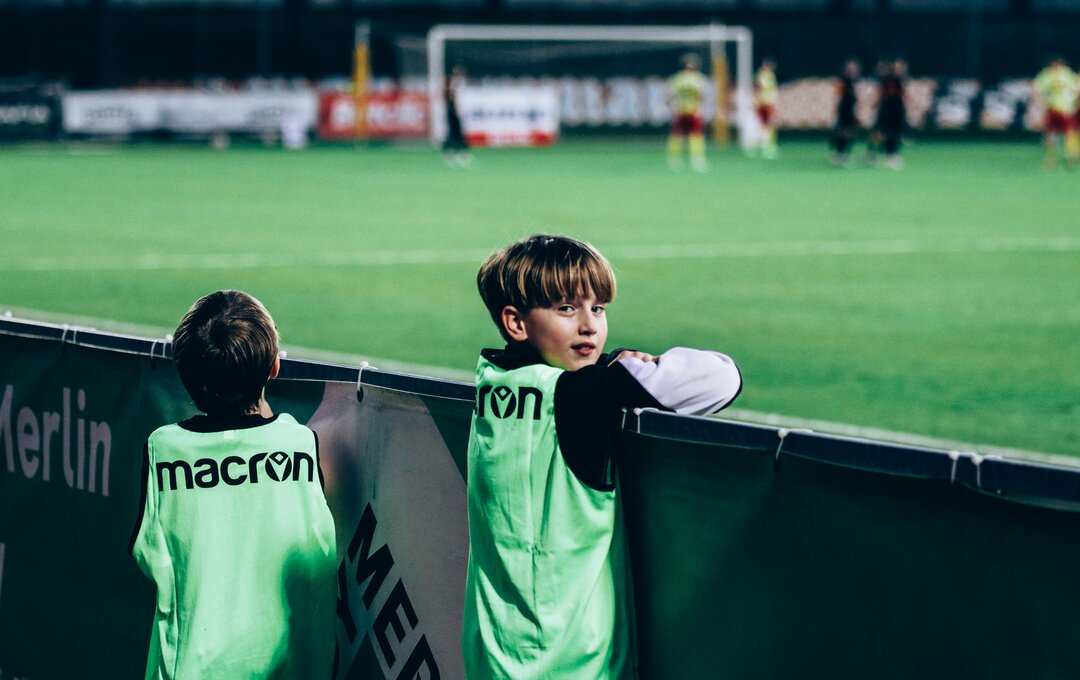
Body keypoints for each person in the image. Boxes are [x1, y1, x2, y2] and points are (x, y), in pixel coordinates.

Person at [462, 234, 742, 679]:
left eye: (598, 308)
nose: (589, 326)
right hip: (573, 662)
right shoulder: (582, 397)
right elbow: (724, 378)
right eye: (566, 308)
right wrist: (630, 368)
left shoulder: (491, 381)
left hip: (493, 653)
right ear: (515, 323)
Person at [129, 290, 337, 680]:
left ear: (185, 373)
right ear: (274, 367)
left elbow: (147, 555)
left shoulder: (164, 450)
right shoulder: (299, 444)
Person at [1032, 55, 1080, 171]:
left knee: (1055, 134)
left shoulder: (1049, 74)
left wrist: (1040, 103)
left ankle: (1056, 159)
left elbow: (1036, 89)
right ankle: (1068, 157)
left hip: (1058, 109)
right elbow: (1076, 91)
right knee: (1066, 133)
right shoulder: (1066, 74)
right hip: (1062, 109)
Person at [667, 53, 709, 172]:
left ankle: (674, 159)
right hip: (693, 110)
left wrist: (672, 108)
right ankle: (697, 159)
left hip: (681, 110)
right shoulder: (699, 79)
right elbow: (702, 95)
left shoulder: (678, 78)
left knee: (677, 135)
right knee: (695, 135)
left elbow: (669, 96)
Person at [868, 57, 908, 169]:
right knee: (879, 133)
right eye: (898, 67)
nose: (900, 70)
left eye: (902, 67)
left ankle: (891, 155)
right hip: (886, 109)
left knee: (895, 134)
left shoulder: (902, 80)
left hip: (897, 110)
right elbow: (880, 93)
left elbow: (903, 96)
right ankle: (872, 153)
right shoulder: (886, 79)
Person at [829, 58, 862, 167]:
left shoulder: (857, 82)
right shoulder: (842, 81)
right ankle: (838, 152)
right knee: (840, 132)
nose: (852, 70)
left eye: (854, 68)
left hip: (852, 111)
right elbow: (837, 96)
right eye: (850, 68)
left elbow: (859, 98)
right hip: (843, 110)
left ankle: (845, 153)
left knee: (851, 133)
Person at [443, 65, 472, 168]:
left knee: (455, 133)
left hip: (455, 110)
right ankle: (455, 153)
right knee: (455, 132)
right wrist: (456, 109)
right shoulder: (454, 83)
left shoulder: (455, 83)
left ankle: (454, 153)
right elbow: (452, 97)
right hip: (454, 111)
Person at [753, 57, 780, 159]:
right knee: (766, 124)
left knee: (767, 125)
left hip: (768, 102)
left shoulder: (770, 75)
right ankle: (764, 145)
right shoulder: (763, 75)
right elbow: (759, 88)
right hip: (764, 103)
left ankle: (765, 144)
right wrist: (757, 101)